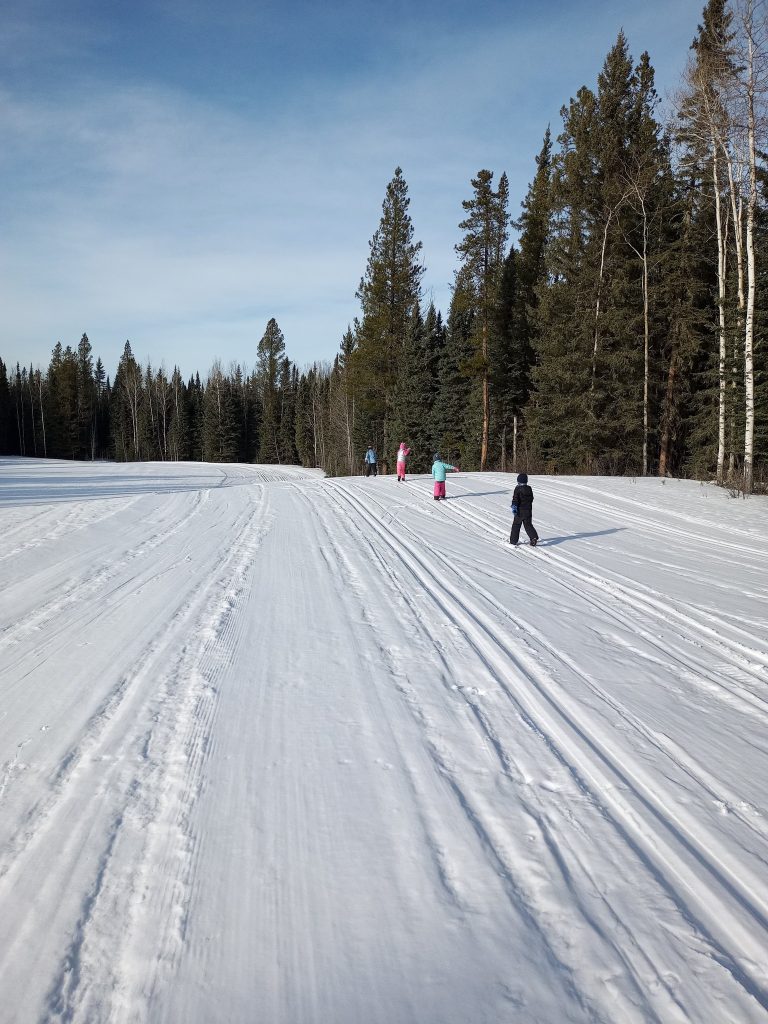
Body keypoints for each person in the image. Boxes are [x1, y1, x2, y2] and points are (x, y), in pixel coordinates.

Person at [510, 472, 539, 546]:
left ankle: (513, 541)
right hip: (528, 511)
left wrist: (514, 507)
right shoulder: (529, 488)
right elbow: (531, 499)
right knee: (528, 525)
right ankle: (533, 537)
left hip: (519, 511)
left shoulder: (517, 489)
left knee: (516, 525)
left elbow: (515, 499)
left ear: (518, 481)